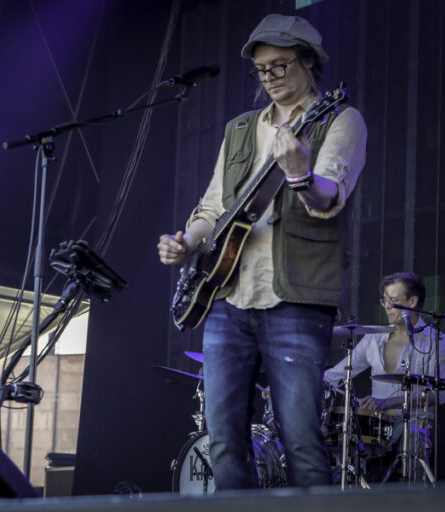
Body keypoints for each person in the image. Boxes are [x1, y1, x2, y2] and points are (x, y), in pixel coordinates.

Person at [157, 14, 367, 489]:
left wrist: (299, 175)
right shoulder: (239, 128)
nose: (269, 77)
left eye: (280, 65)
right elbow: (214, 206)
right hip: (227, 296)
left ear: (308, 61)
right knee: (222, 439)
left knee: (301, 439)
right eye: (261, 69)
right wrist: (186, 242)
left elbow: (329, 198)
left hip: (296, 297)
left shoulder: (339, 119)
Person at [324, 272, 445, 481]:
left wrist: (388, 402)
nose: (386, 306)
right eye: (384, 300)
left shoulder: (436, 341)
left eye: (392, 301)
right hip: (377, 423)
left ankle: (417, 493)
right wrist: (286, 387)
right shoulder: (373, 338)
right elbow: (336, 374)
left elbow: (440, 394)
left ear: (412, 301)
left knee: (415, 436)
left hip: (414, 422)